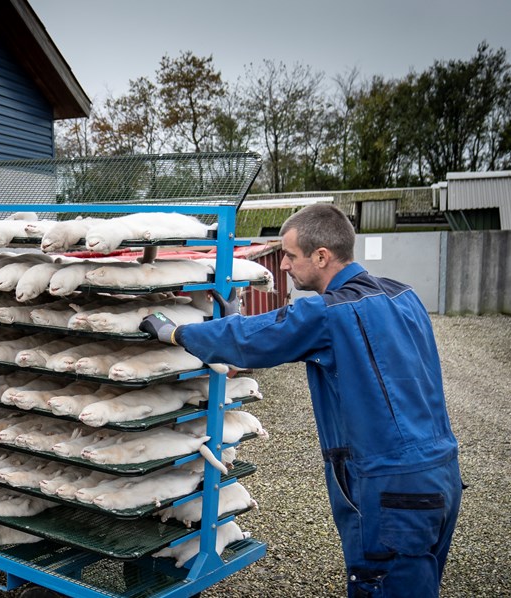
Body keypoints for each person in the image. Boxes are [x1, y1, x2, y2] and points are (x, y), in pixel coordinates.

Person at [141, 204, 462, 597]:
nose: (285, 266)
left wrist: (175, 334)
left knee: (383, 587)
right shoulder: (404, 295)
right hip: (442, 475)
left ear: (322, 256)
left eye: (291, 256)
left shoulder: (329, 313)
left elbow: (252, 339)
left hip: (390, 487)